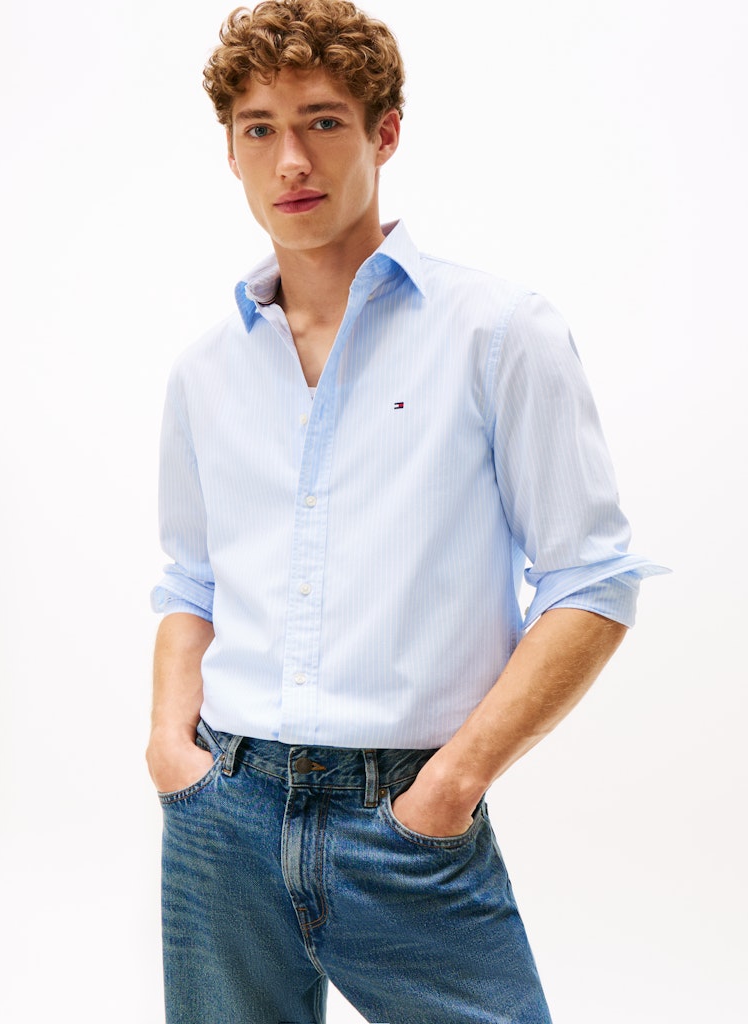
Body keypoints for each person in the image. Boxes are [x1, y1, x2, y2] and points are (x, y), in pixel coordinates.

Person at [146, 2, 664, 1021]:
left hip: (408, 819)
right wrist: (173, 751)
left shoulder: (499, 333)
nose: (292, 159)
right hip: (222, 815)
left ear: (385, 132)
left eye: (323, 121)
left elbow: (593, 583)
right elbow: (189, 582)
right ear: (231, 150)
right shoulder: (206, 370)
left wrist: (450, 785)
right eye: (260, 129)